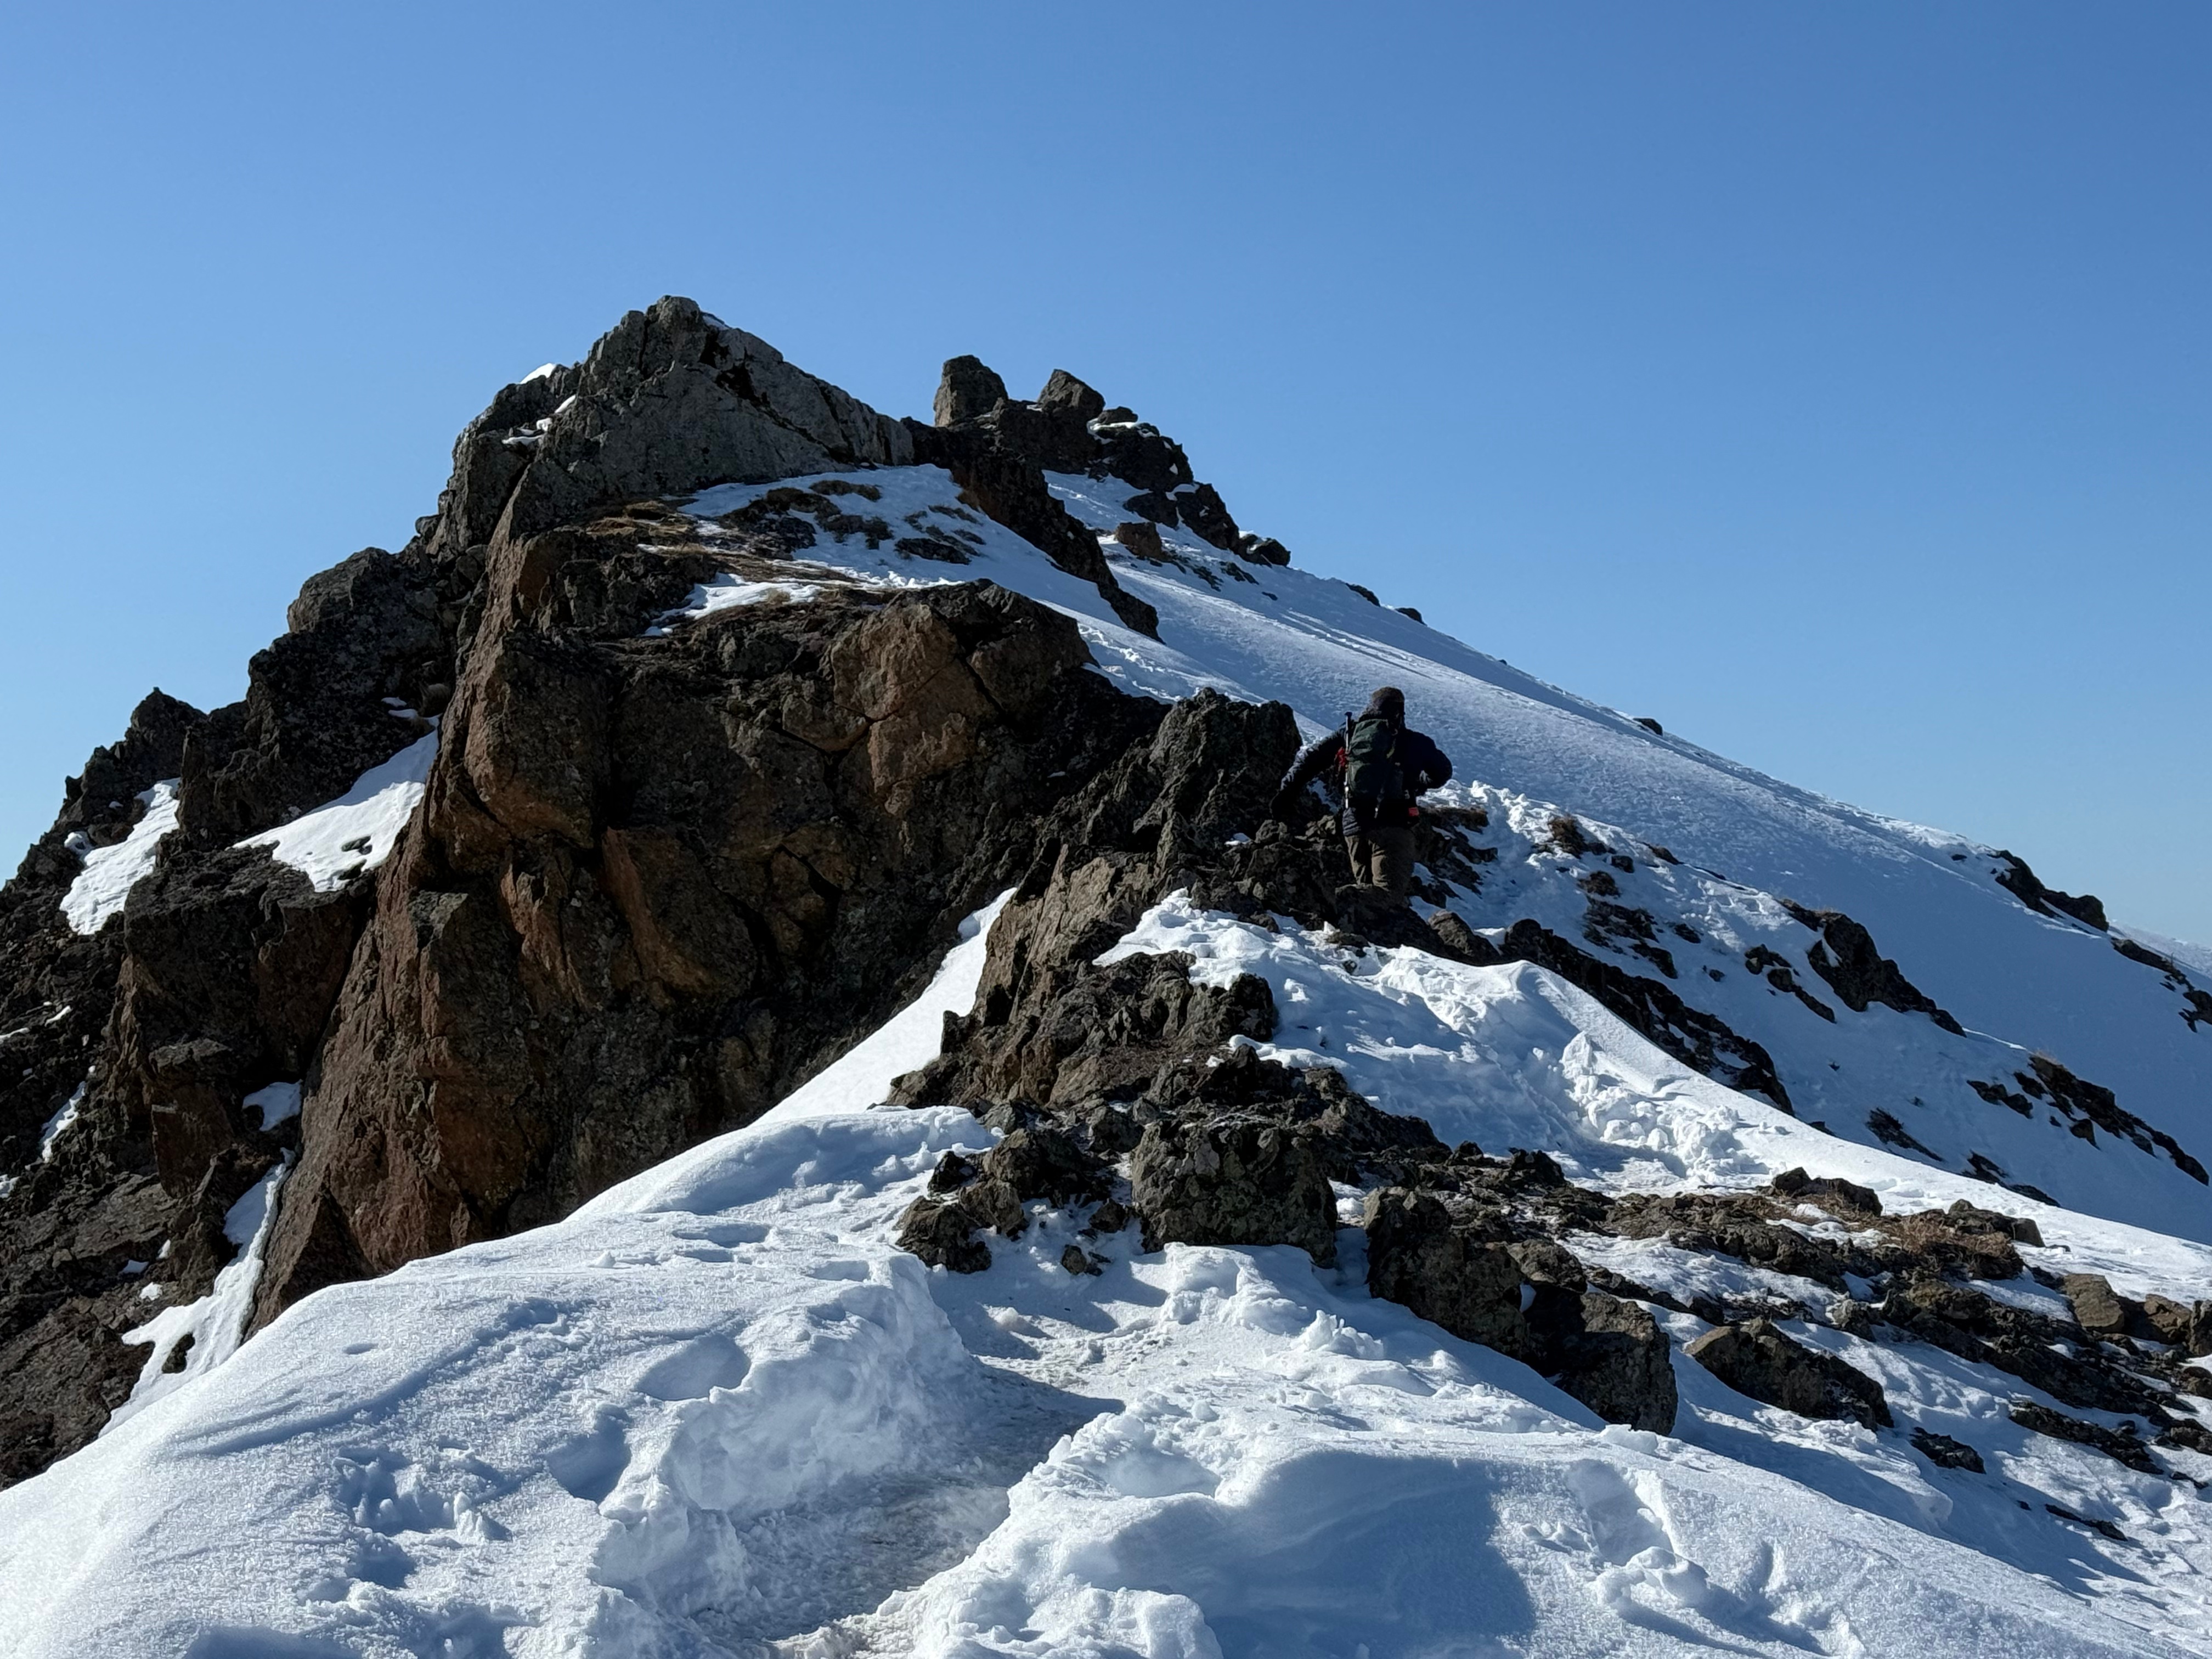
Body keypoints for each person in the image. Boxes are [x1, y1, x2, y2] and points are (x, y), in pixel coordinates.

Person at [1273, 686, 1452, 896]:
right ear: (1400, 711)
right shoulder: (1415, 741)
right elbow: (1442, 773)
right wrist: (1418, 783)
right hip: (1394, 825)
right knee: (1387, 898)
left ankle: (1354, 921)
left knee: (1364, 894)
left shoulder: (1351, 733)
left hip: (1355, 825)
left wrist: (1286, 792)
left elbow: (1309, 759)